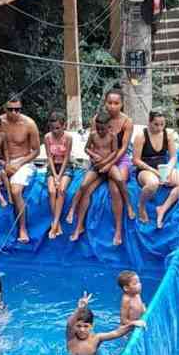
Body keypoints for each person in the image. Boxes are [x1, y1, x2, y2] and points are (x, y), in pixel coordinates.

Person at [67, 87, 135, 245]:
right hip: (99, 162)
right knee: (86, 188)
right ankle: (79, 226)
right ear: (105, 103)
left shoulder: (126, 122)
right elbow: (92, 144)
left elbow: (123, 148)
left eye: (116, 103)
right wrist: (96, 161)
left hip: (118, 160)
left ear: (121, 104)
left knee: (114, 188)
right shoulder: (98, 119)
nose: (112, 106)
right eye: (109, 103)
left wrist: (108, 164)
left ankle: (118, 230)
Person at [132, 110, 179, 230]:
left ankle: (162, 208)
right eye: (156, 124)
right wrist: (154, 171)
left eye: (162, 125)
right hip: (145, 168)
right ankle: (141, 206)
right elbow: (136, 160)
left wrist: (168, 170)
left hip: (162, 167)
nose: (159, 128)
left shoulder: (168, 135)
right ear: (149, 123)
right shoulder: (141, 136)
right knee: (153, 183)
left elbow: (174, 157)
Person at [69, 112, 118, 243]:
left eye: (103, 128)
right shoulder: (93, 135)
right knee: (85, 187)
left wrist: (105, 162)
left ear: (109, 127)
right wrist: (93, 155)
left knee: (117, 182)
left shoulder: (112, 136)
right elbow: (86, 149)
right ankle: (78, 224)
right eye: (98, 128)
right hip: (96, 167)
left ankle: (127, 210)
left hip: (107, 167)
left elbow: (115, 152)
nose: (101, 131)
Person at [1, 94, 40, 244]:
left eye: (18, 109)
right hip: (4, 160)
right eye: (11, 109)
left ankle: (22, 228)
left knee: (16, 190)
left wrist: (19, 164)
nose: (14, 113)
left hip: (23, 161)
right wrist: (4, 163)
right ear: (5, 108)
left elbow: (36, 151)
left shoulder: (29, 124)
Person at [66, 301, 146, 355]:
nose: (82, 329)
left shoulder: (96, 338)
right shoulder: (71, 337)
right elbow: (69, 324)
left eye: (86, 326)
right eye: (78, 326)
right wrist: (79, 309)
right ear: (74, 326)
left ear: (92, 325)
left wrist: (132, 324)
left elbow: (116, 333)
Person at [43, 109, 72, 239]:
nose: (55, 131)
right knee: (51, 191)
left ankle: (54, 223)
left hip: (65, 166)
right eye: (53, 128)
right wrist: (54, 175)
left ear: (64, 126)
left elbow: (66, 158)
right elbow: (49, 157)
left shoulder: (68, 138)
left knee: (61, 190)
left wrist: (59, 176)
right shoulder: (47, 137)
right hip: (53, 166)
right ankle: (57, 223)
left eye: (58, 128)